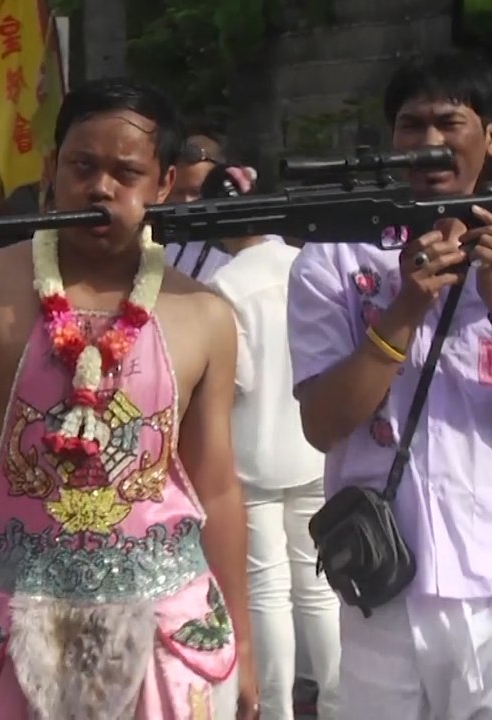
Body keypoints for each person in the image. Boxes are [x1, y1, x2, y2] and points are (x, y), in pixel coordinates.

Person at [0, 78, 258, 719]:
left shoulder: (204, 312)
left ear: (161, 186)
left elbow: (216, 488)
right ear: (51, 169)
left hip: (166, 630)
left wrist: (243, 640)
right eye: (82, 167)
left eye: (126, 173)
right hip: (17, 624)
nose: (100, 188)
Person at [287, 51, 492, 717]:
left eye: (448, 122)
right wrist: (402, 308)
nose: (428, 142)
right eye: (409, 125)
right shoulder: (333, 260)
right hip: (382, 580)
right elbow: (323, 423)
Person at [206, 223, 340, 719]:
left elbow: (233, 379)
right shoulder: (307, 265)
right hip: (312, 447)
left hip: (254, 456)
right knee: (319, 587)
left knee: (266, 590)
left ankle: (275, 709)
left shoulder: (227, 285)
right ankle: (338, 702)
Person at [164, 130, 232, 282]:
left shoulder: (246, 241)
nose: (187, 201)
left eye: (196, 192)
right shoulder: (153, 240)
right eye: (179, 191)